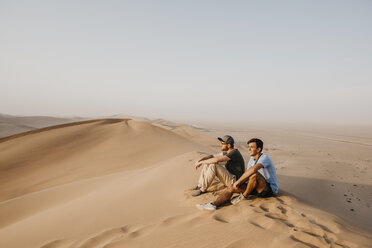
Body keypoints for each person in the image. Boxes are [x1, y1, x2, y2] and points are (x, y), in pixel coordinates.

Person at [196, 138, 278, 210]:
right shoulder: (251, 160)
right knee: (232, 187)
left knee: (254, 174)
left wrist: (238, 182)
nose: (249, 149)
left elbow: (253, 170)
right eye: (248, 147)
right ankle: (213, 204)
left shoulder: (264, 158)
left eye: (252, 147)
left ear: (259, 149)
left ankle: (244, 197)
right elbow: (247, 174)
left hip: (267, 189)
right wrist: (238, 185)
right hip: (254, 187)